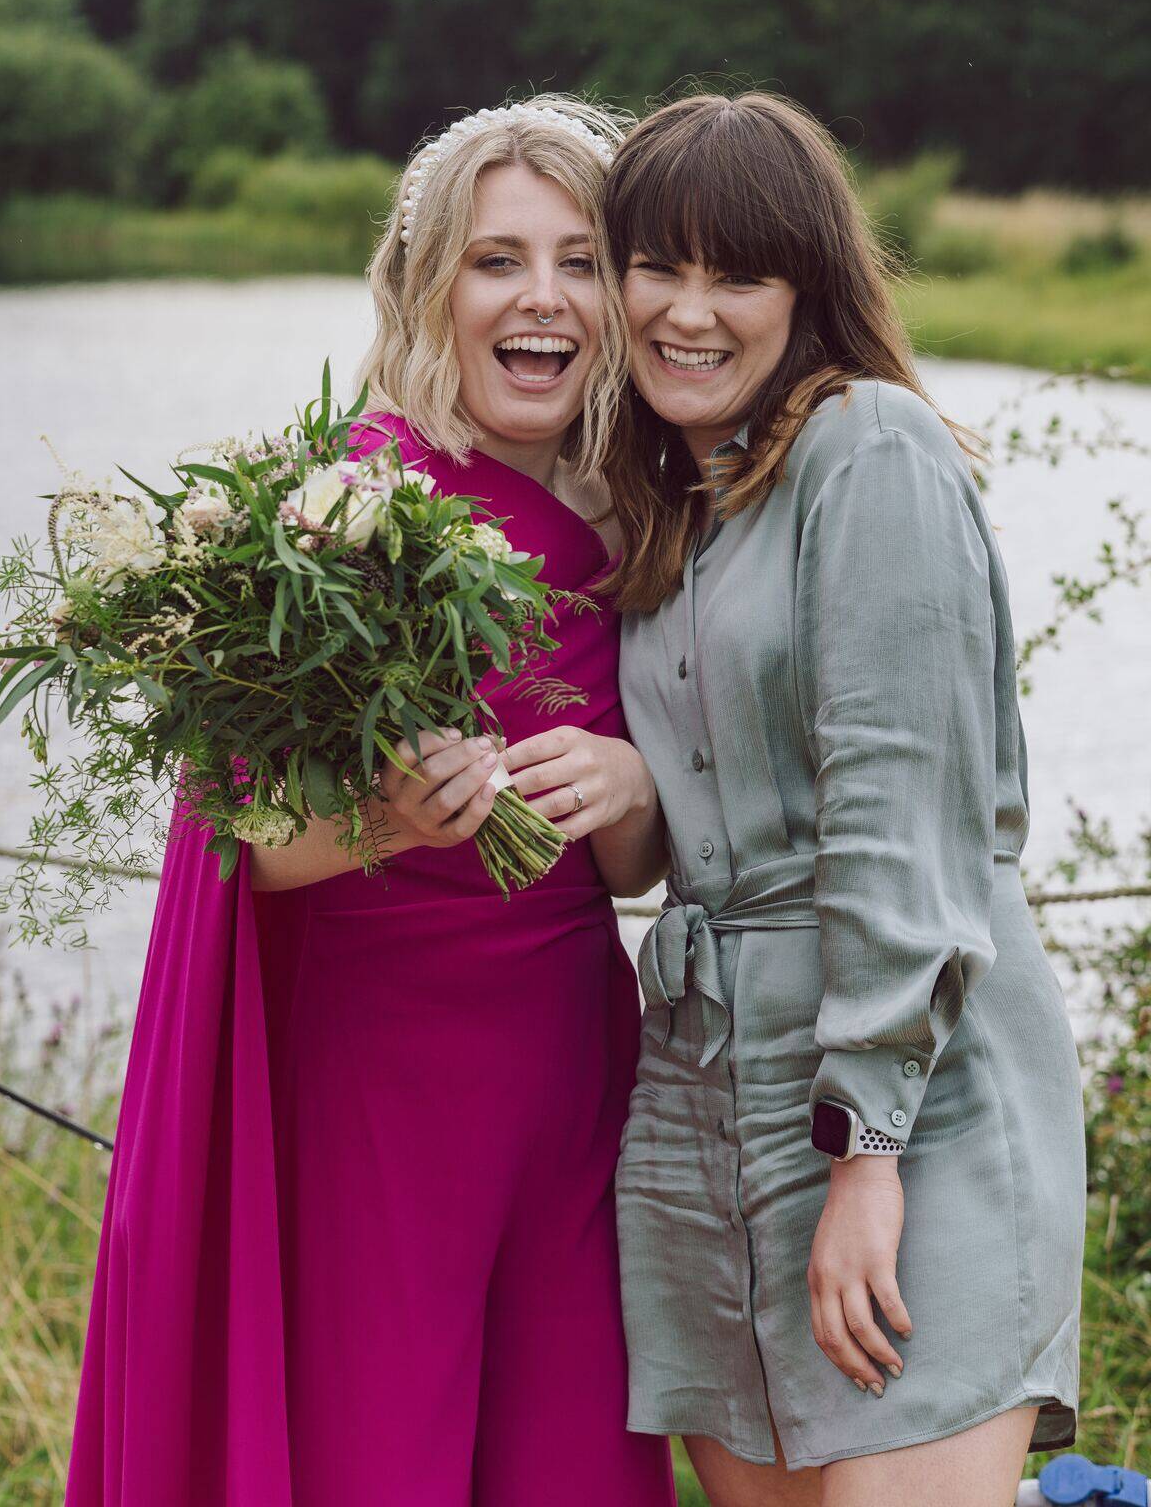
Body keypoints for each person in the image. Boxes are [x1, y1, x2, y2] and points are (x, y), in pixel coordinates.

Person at [65, 96, 676, 1507]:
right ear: (426, 286)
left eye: (580, 261)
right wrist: (387, 823)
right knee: (375, 1449)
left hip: (575, 1078)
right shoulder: (344, 509)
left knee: (568, 1464)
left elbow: (637, 865)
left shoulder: (642, 513)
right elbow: (244, 844)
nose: (543, 299)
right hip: (374, 1090)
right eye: (496, 260)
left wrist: (632, 787)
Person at [602, 92, 1086, 1507]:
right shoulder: (674, 514)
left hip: (906, 1101)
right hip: (699, 1106)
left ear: (807, 291)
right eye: (657, 266)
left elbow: (896, 820)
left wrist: (867, 1152)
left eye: (737, 273)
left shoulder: (866, 450)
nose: (689, 312)